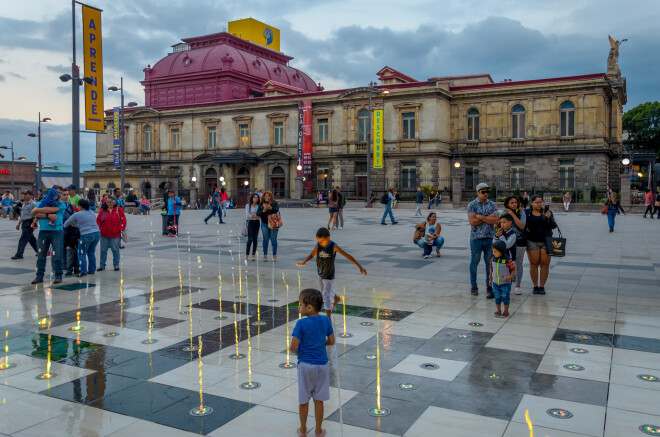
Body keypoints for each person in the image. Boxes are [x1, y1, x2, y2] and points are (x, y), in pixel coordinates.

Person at [290, 288, 335, 437]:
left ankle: (303, 430)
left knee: (304, 400)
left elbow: (293, 347)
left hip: (305, 366)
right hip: (322, 366)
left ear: (309, 307)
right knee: (319, 399)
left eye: (300, 304)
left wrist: (299, 352)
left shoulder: (301, 324)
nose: (299, 307)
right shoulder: (325, 320)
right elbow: (332, 341)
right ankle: (318, 430)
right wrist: (321, 345)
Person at [296, 227, 367, 322]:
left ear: (328, 238)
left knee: (325, 295)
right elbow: (312, 255)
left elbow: (347, 255)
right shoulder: (318, 245)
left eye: (322, 241)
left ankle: (328, 318)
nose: (320, 243)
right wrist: (304, 262)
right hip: (320, 273)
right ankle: (336, 298)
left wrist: (360, 266)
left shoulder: (334, 246)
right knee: (325, 291)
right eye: (319, 241)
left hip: (329, 275)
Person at [467, 183, 499, 297]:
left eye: (487, 192)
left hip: (489, 237)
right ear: (477, 192)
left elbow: (496, 220)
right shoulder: (472, 205)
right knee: (474, 261)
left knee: (489, 263)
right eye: (483, 192)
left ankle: (489, 286)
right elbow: (472, 222)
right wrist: (488, 218)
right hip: (476, 238)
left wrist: (480, 217)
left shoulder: (492, 204)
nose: (486, 194)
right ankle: (474, 286)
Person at [30, 187, 66, 284]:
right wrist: (47, 216)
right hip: (43, 231)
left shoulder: (62, 203)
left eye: (60, 193)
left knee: (57, 255)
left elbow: (53, 209)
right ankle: (39, 276)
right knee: (41, 255)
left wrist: (39, 210)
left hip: (57, 231)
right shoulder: (44, 200)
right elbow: (33, 212)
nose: (58, 195)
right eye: (57, 193)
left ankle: (58, 275)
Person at [525, 194, 557, 295]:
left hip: (546, 241)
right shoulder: (527, 213)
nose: (540, 204)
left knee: (545, 264)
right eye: (537, 202)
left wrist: (548, 218)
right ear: (531, 203)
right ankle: (535, 286)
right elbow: (521, 224)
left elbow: (553, 226)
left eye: (541, 202)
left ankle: (542, 286)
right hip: (532, 241)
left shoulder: (547, 212)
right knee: (534, 264)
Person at [64, 199, 100, 277]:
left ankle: (83, 271)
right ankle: (92, 270)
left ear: (79, 206)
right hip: (97, 233)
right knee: (91, 252)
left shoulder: (77, 214)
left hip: (86, 234)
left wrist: (74, 224)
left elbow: (66, 224)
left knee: (81, 253)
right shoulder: (92, 212)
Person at [501, 196, 527, 295]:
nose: (514, 204)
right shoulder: (504, 213)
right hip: (508, 242)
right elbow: (500, 226)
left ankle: (518, 286)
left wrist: (512, 214)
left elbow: (521, 226)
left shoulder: (521, 213)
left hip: (520, 241)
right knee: (506, 263)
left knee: (518, 263)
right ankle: (506, 284)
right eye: (512, 203)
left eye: (516, 202)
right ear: (507, 204)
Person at [96, 196, 126, 271]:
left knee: (115, 249)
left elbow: (123, 220)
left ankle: (116, 264)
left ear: (114, 202)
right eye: (107, 202)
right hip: (104, 234)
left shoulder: (118, 210)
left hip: (115, 234)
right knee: (103, 250)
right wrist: (100, 228)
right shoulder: (103, 210)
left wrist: (120, 228)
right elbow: (98, 220)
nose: (109, 204)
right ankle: (102, 265)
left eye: (110, 202)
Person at [490, 240, 516, 318]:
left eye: (495, 252)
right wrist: (490, 278)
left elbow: (513, 269)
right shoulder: (492, 259)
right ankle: (498, 311)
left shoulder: (507, 260)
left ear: (501, 251)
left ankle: (506, 312)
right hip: (495, 283)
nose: (493, 253)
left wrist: (510, 277)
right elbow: (491, 270)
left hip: (505, 283)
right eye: (493, 251)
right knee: (497, 297)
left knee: (505, 297)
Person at [11, 190, 38, 260]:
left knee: (23, 239)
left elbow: (37, 214)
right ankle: (40, 251)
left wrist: (35, 223)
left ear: (30, 195)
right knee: (31, 239)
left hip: (30, 222)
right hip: (24, 222)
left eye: (26, 194)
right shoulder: (24, 203)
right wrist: (18, 224)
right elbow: (22, 215)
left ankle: (19, 254)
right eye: (24, 194)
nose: (24, 195)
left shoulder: (33, 204)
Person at [61, 190, 80, 277]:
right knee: (64, 249)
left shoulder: (69, 206)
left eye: (67, 195)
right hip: (61, 228)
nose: (66, 196)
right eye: (64, 195)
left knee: (71, 252)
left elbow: (72, 216)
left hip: (69, 229)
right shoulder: (58, 205)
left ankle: (73, 268)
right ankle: (65, 267)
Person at [257, 190, 280, 262]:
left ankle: (274, 255)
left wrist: (271, 208)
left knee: (273, 239)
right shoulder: (261, 204)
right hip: (264, 224)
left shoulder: (274, 203)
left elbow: (277, 210)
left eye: (268, 196)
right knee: (265, 239)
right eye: (265, 196)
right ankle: (265, 255)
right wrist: (263, 211)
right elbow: (258, 213)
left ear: (271, 197)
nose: (267, 197)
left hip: (273, 223)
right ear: (263, 197)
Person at [244, 193, 261, 262]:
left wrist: (253, 214)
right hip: (250, 223)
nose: (256, 199)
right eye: (254, 197)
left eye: (257, 197)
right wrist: (254, 215)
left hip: (257, 223)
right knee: (250, 239)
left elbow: (260, 215)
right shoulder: (248, 206)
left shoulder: (259, 206)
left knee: (255, 239)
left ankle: (253, 254)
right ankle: (247, 254)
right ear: (252, 198)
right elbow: (247, 215)